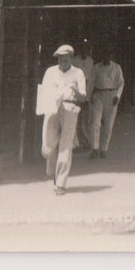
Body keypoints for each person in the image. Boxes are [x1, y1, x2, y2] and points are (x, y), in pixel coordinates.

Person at [40, 44, 86, 195]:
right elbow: (44, 92)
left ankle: (61, 183)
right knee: (49, 143)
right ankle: (51, 172)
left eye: (66, 60)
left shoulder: (78, 73)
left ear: (71, 59)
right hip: (52, 108)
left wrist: (75, 91)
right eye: (60, 60)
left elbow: (83, 97)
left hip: (70, 108)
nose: (63, 63)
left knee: (65, 145)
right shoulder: (50, 72)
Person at [89, 53, 124, 158]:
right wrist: (89, 95)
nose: (106, 58)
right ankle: (95, 148)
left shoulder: (116, 68)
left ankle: (103, 149)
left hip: (111, 95)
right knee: (95, 122)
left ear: (111, 57)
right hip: (98, 95)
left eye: (108, 55)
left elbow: (121, 83)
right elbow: (91, 82)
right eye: (104, 56)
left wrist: (117, 96)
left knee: (108, 125)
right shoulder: (96, 68)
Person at [72, 41, 96, 151]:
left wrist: (89, 95)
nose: (84, 51)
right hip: (77, 89)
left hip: (87, 89)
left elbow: (91, 77)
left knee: (86, 118)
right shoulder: (74, 61)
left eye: (86, 49)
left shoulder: (91, 61)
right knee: (76, 117)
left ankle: (87, 141)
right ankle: (77, 142)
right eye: (82, 48)